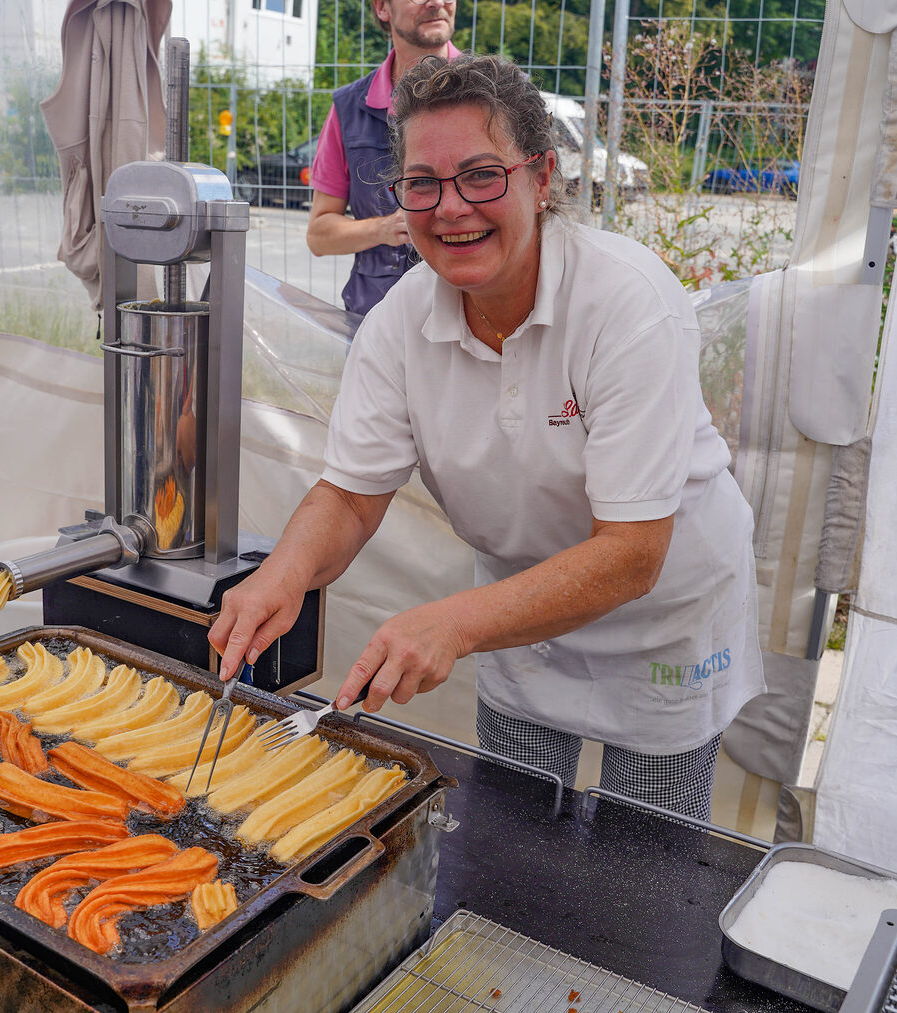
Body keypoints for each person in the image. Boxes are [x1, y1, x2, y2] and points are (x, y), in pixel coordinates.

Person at [210, 54, 765, 820]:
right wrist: (285, 573)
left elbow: (635, 552)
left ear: (541, 178)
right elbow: (350, 494)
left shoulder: (626, 303)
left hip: (662, 616)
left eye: (481, 175)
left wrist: (452, 622)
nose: (450, 208)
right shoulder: (401, 324)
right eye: (423, 184)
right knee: (514, 830)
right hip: (517, 609)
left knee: (645, 863)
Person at [305, 0, 460, 316]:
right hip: (374, 321)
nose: (437, 2)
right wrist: (382, 229)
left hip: (469, 320)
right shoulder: (349, 108)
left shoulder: (497, 96)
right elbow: (319, 235)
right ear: (381, 8)